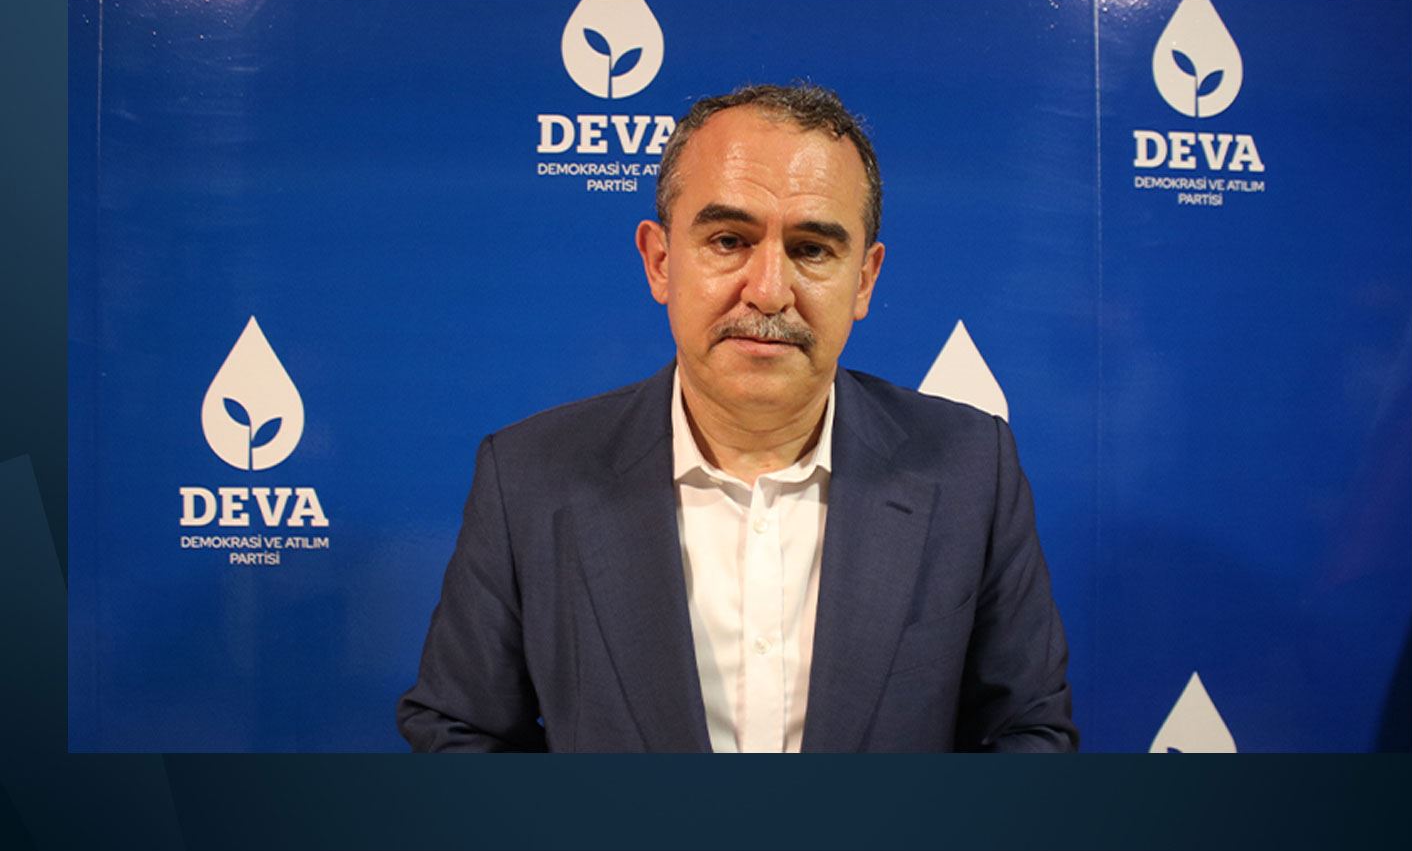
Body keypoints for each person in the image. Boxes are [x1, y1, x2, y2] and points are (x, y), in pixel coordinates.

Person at [397, 83, 1077, 752]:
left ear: (864, 280)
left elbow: (1028, 732)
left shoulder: (971, 470)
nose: (770, 291)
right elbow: (460, 731)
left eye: (812, 249)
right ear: (660, 261)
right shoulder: (528, 477)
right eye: (728, 240)